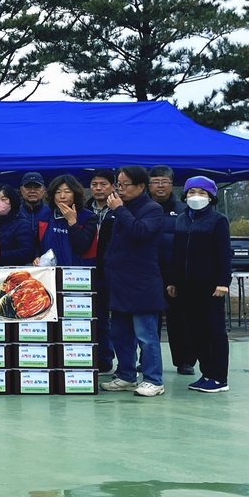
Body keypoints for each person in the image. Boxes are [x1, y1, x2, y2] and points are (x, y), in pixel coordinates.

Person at [100, 165, 168, 397]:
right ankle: (126, 375)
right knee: (120, 334)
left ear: (140, 186)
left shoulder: (152, 209)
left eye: (125, 185)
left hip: (142, 284)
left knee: (146, 336)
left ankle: (153, 379)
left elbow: (140, 232)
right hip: (119, 283)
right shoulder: (119, 209)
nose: (120, 189)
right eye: (118, 184)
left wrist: (119, 210)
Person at [167, 176, 232, 393]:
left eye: (202, 193)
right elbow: (177, 253)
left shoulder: (218, 220)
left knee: (214, 331)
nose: (196, 196)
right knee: (195, 331)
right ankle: (207, 373)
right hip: (186, 286)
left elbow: (224, 254)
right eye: (192, 192)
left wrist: (223, 282)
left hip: (210, 286)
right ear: (185, 195)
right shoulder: (181, 220)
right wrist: (173, 280)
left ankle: (219, 377)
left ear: (211, 197)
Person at [149, 164, 192, 375]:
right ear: (148, 185)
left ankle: (184, 361)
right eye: (155, 181)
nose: (160, 186)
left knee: (179, 319)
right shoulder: (142, 208)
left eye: (164, 182)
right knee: (149, 321)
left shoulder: (184, 210)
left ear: (172, 184)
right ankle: (148, 360)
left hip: (175, 274)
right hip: (148, 273)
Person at [87, 169, 118, 372]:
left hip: (113, 270)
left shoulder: (119, 209)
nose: (98, 188)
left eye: (103, 184)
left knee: (112, 318)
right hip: (89, 269)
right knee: (94, 316)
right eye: (94, 184)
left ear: (112, 187)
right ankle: (96, 358)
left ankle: (109, 358)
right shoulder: (83, 209)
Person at [37, 175, 97, 267]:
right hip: (49, 271)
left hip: (77, 272)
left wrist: (72, 222)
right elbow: (37, 244)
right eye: (58, 192)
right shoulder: (44, 216)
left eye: (67, 191)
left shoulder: (88, 217)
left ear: (75, 194)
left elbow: (82, 247)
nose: (62, 196)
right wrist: (36, 257)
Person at [0, 185, 35, 266]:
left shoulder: (22, 224)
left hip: (15, 270)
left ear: (12, 201)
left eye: (4, 199)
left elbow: (26, 252)